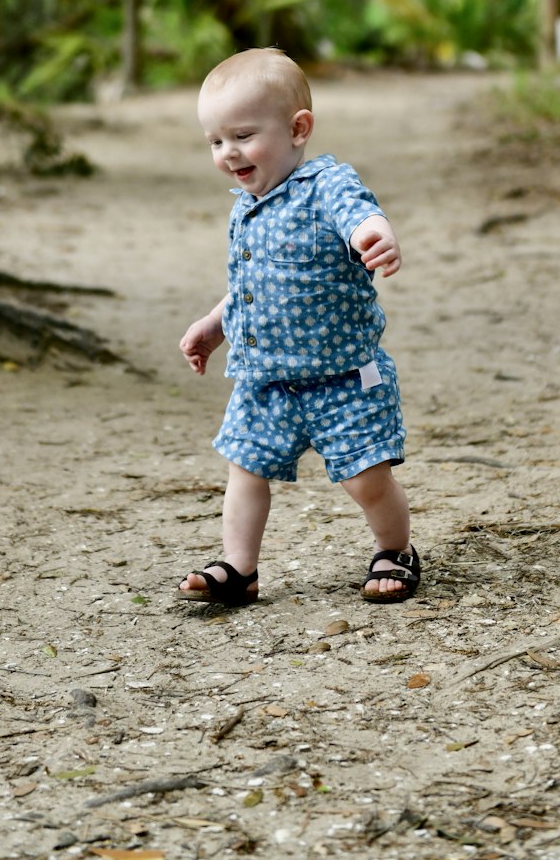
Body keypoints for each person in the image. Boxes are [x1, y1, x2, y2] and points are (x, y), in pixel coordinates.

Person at [177, 47, 418, 607]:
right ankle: (239, 568)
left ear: (297, 128)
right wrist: (215, 325)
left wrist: (373, 234)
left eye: (241, 135)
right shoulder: (247, 204)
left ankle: (395, 549)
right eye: (215, 141)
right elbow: (252, 286)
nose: (227, 152)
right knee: (245, 469)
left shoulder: (324, 184)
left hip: (343, 378)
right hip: (266, 382)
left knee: (365, 479)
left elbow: (357, 211)